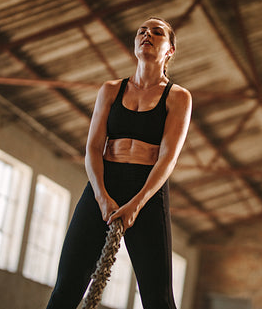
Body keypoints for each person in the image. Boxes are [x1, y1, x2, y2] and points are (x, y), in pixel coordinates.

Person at [46, 17, 192, 309]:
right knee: (66, 287)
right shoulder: (110, 90)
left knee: (159, 299)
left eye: (156, 32)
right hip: (103, 187)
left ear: (170, 50)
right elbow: (92, 148)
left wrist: (136, 204)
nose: (146, 34)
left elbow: (168, 158)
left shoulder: (178, 97)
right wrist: (101, 198)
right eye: (142, 31)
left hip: (147, 193)